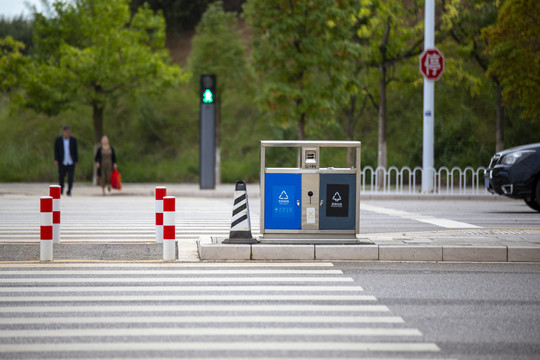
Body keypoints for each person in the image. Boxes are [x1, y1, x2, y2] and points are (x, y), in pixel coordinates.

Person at [54, 125, 78, 196]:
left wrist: (76, 160)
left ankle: (69, 190)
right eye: (66, 132)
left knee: (70, 177)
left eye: (69, 132)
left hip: (71, 161)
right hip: (62, 161)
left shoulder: (73, 140)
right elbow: (56, 150)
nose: (67, 133)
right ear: (63, 132)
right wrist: (56, 159)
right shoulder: (58, 140)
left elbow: (75, 151)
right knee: (61, 176)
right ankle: (61, 189)